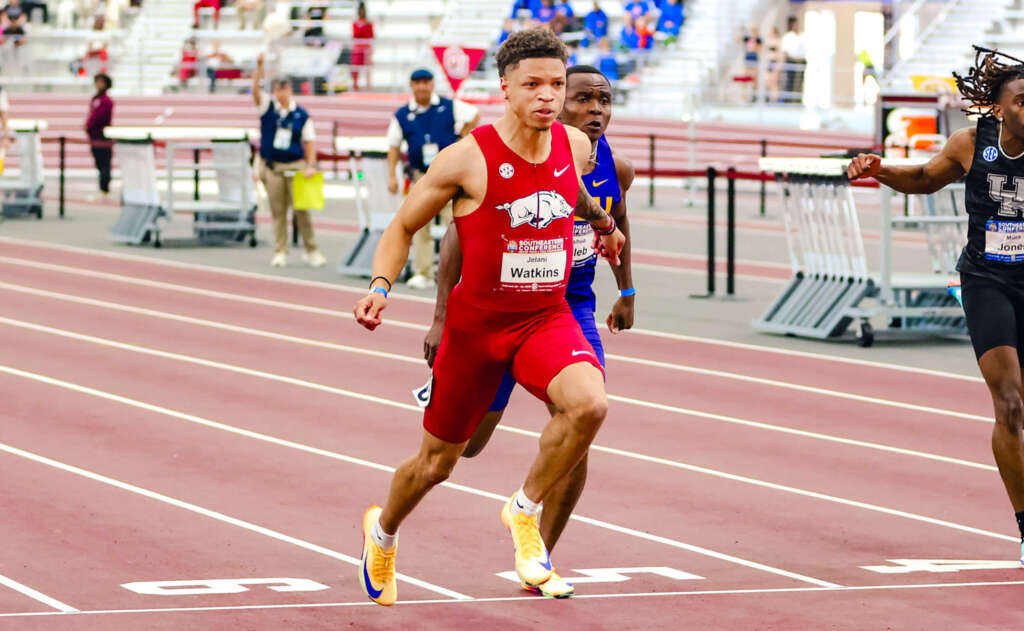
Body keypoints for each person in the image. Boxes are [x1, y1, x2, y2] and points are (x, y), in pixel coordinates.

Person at [353, 28, 625, 606]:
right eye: (533, 85)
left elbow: (572, 192)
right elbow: (404, 226)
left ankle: (523, 511)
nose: (547, 96)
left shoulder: (574, 144)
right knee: (436, 464)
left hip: (545, 318)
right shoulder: (466, 159)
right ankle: (383, 533)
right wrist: (381, 285)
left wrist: (604, 226)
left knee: (589, 405)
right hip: (476, 332)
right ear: (505, 87)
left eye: (556, 83)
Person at [422, 64, 635, 598]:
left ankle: (538, 552)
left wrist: (626, 291)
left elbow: (617, 221)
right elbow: (455, 239)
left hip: (569, 305)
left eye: (603, 101)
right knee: (463, 448)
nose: (595, 111)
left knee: (581, 423)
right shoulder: (505, 157)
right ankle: (447, 390)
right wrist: (442, 317)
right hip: (499, 308)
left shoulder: (614, 166)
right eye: (582, 99)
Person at [847, 47, 1024, 567]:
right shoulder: (972, 143)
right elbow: (925, 179)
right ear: (997, 107)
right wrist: (880, 169)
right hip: (987, 279)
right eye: (1023, 101)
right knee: (1010, 402)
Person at [385, 68, 480, 289]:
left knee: (457, 226)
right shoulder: (402, 114)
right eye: (417, 82)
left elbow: (474, 115)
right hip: (421, 178)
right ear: (411, 86)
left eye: (426, 82)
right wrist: (392, 175)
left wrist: (462, 137)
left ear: (432, 84)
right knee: (418, 225)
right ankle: (423, 272)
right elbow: (393, 145)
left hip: (449, 177)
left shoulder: (449, 106)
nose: (422, 87)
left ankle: (460, 274)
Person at [251, 54, 326, 268]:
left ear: (289, 90)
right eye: (277, 89)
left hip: (295, 165)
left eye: (284, 88)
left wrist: (311, 165)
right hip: (273, 166)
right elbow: (256, 92)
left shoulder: (301, 115)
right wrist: (259, 68)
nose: (281, 92)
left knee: (302, 209)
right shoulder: (268, 109)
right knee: (278, 211)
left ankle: (311, 249)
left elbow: (309, 142)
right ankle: (280, 250)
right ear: (274, 91)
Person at [85, 73, 113, 197]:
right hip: (94, 136)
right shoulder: (95, 99)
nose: (99, 84)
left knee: (104, 163)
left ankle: (105, 188)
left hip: (102, 136)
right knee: (99, 163)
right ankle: (102, 187)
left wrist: (90, 126)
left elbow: (98, 117)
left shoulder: (107, 101)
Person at [780, 16, 806, 102]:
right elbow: (785, 51)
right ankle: (788, 100)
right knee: (790, 81)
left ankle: (798, 99)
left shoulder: (803, 36)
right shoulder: (787, 36)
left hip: (801, 61)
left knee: (800, 82)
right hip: (791, 60)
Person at [351, 2, 374, 90]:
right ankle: (355, 85)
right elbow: (356, 34)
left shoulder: (369, 23)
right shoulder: (355, 23)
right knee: (355, 67)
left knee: (368, 67)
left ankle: (368, 86)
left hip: (366, 47)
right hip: (358, 47)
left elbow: (370, 34)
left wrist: (365, 26)